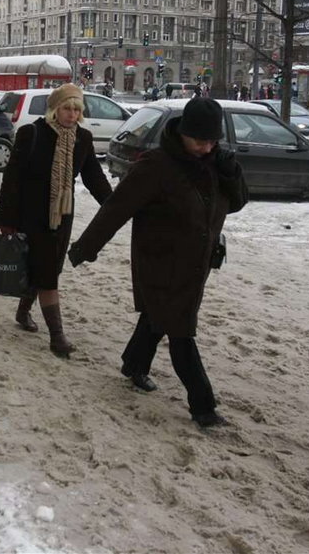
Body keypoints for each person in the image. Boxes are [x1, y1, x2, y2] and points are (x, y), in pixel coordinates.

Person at [68, 98, 248, 427]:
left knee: (157, 316)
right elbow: (116, 208)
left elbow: (236, 203)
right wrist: (85, 248)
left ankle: (134, 364)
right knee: (181, 332)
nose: (206, 148)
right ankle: (203, 407)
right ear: (183, 133)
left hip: (196, 264)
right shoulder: (156, 165)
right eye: (200, 141)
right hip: (161, 263)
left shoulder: (212, 162)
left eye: (212, 141)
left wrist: (230, 171)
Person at [0, 83, 112, 358]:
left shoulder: (82, 138)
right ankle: (57, 338)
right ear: (55, 109)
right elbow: (12, 179)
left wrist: (114, 206)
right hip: (30, 214)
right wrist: (6, 219)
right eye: (67, 108)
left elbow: (94, 176)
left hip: (62, 214)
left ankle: (23, 311)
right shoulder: (31, 133)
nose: (71, 114)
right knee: (47, 272)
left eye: (76, 109)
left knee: (47, 268)